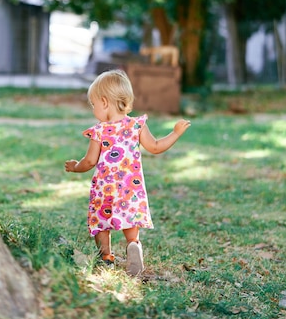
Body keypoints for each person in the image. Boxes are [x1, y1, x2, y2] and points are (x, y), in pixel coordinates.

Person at [65, 69, 191, 276]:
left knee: (101, 223)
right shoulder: (136, 125)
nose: (93, 109)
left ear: (104, 103)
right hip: (130, 189)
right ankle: (133, 244)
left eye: (93, 104)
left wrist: (74, 166)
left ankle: (106, 257)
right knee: (130, 218)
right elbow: (156, 147)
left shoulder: (100, 130)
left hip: (104, 189)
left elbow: (89, 161)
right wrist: (175, 133)